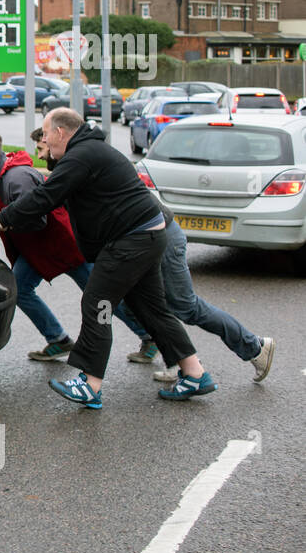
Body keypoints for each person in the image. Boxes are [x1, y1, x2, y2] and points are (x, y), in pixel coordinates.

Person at [0, 108, 214, 407]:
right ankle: (195, 373)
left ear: (60, 132)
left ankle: (90, 383)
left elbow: (46, 197)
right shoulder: (89, 151)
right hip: (147, 235)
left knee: (97, 304)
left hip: (132, 240)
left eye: (45, 134)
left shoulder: (80, 156)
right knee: (152, 309)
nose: (42, 141)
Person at [31, 127, 274, 384]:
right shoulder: (72, 166)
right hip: (144, 236)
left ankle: (253, 347)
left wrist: (3, 220)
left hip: (160, 236)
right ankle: (186, 366)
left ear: (59, 138)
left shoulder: (80, 162)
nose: (41, 147)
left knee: (183, 306)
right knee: (146, 303)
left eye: (43, 144)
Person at [0, 130, 150, 361]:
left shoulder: (16, 178)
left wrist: (2, 222)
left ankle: (149, 336)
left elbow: (37, 219)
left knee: (104, 296)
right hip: (40, 248)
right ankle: (58, 340)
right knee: (19, 290)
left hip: (65, 246)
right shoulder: (0, 177)